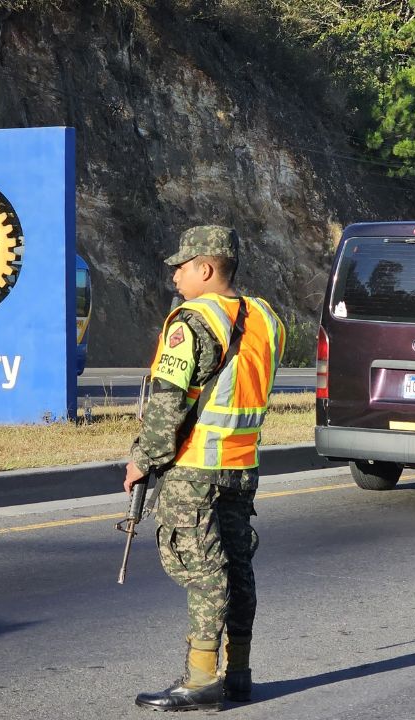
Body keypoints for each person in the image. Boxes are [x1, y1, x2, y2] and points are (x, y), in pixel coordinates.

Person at [123, 225, 286, 711]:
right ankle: (238, 674)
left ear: (207, 268)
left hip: (194, 469)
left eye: (182, 265)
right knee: (236, 569)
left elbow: (167, 407)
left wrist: (141, 461)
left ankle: (200, 678)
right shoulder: (267, 318)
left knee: (201, 571)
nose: (175, 274)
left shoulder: (191, 323)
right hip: (241, 467)